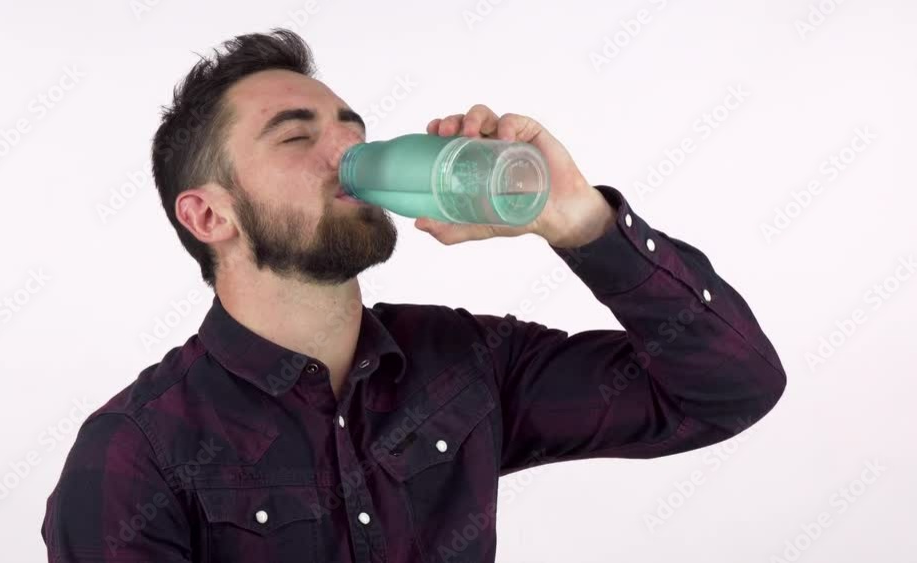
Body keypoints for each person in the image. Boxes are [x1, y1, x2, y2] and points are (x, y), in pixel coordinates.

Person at [41, 28, 786, 563]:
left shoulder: (467, 363)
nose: (349, 152)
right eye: (297, 138)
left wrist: (580, 219)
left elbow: (729, 391)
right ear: (209, 216)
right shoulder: (136, 452)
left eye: (353, 129)